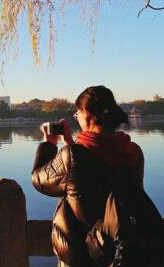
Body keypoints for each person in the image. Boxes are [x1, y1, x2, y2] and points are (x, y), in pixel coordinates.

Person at [31, 85, 144, 267]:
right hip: (121, 251)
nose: (77, 117)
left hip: (84, 254)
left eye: (77, 112)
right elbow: (91, 169)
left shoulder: (74, 155)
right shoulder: (133, 152)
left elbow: (39, 181)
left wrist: (49, 144)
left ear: (86, 112)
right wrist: (70, 143)